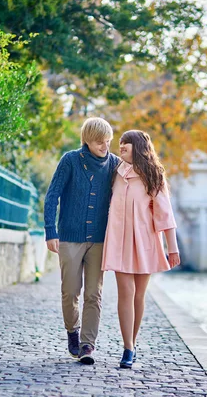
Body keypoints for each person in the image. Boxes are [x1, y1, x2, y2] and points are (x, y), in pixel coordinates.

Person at [44, 117, 120, 365]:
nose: (105, 147)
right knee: (70, 291)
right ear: (87, 140)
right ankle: (72, 331)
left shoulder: (115, 165)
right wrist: (50, 231)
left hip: (99, 240)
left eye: (108, 142)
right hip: (70, 237)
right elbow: (52, 195)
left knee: (94, 294)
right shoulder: (70, 160)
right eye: (100, 142)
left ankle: (87, 344)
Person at [102, 130, 181, 369]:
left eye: (126, 143)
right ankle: (127, 347)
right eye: (120, 143)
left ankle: (133, 343)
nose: (121, 146)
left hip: (145, 241)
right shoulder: (114, 172)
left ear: (138, 147)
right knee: (125, 292)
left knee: (138, 294)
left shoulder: (153, 175)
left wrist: (173, 249)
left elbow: (165, 214)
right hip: (119, 241)